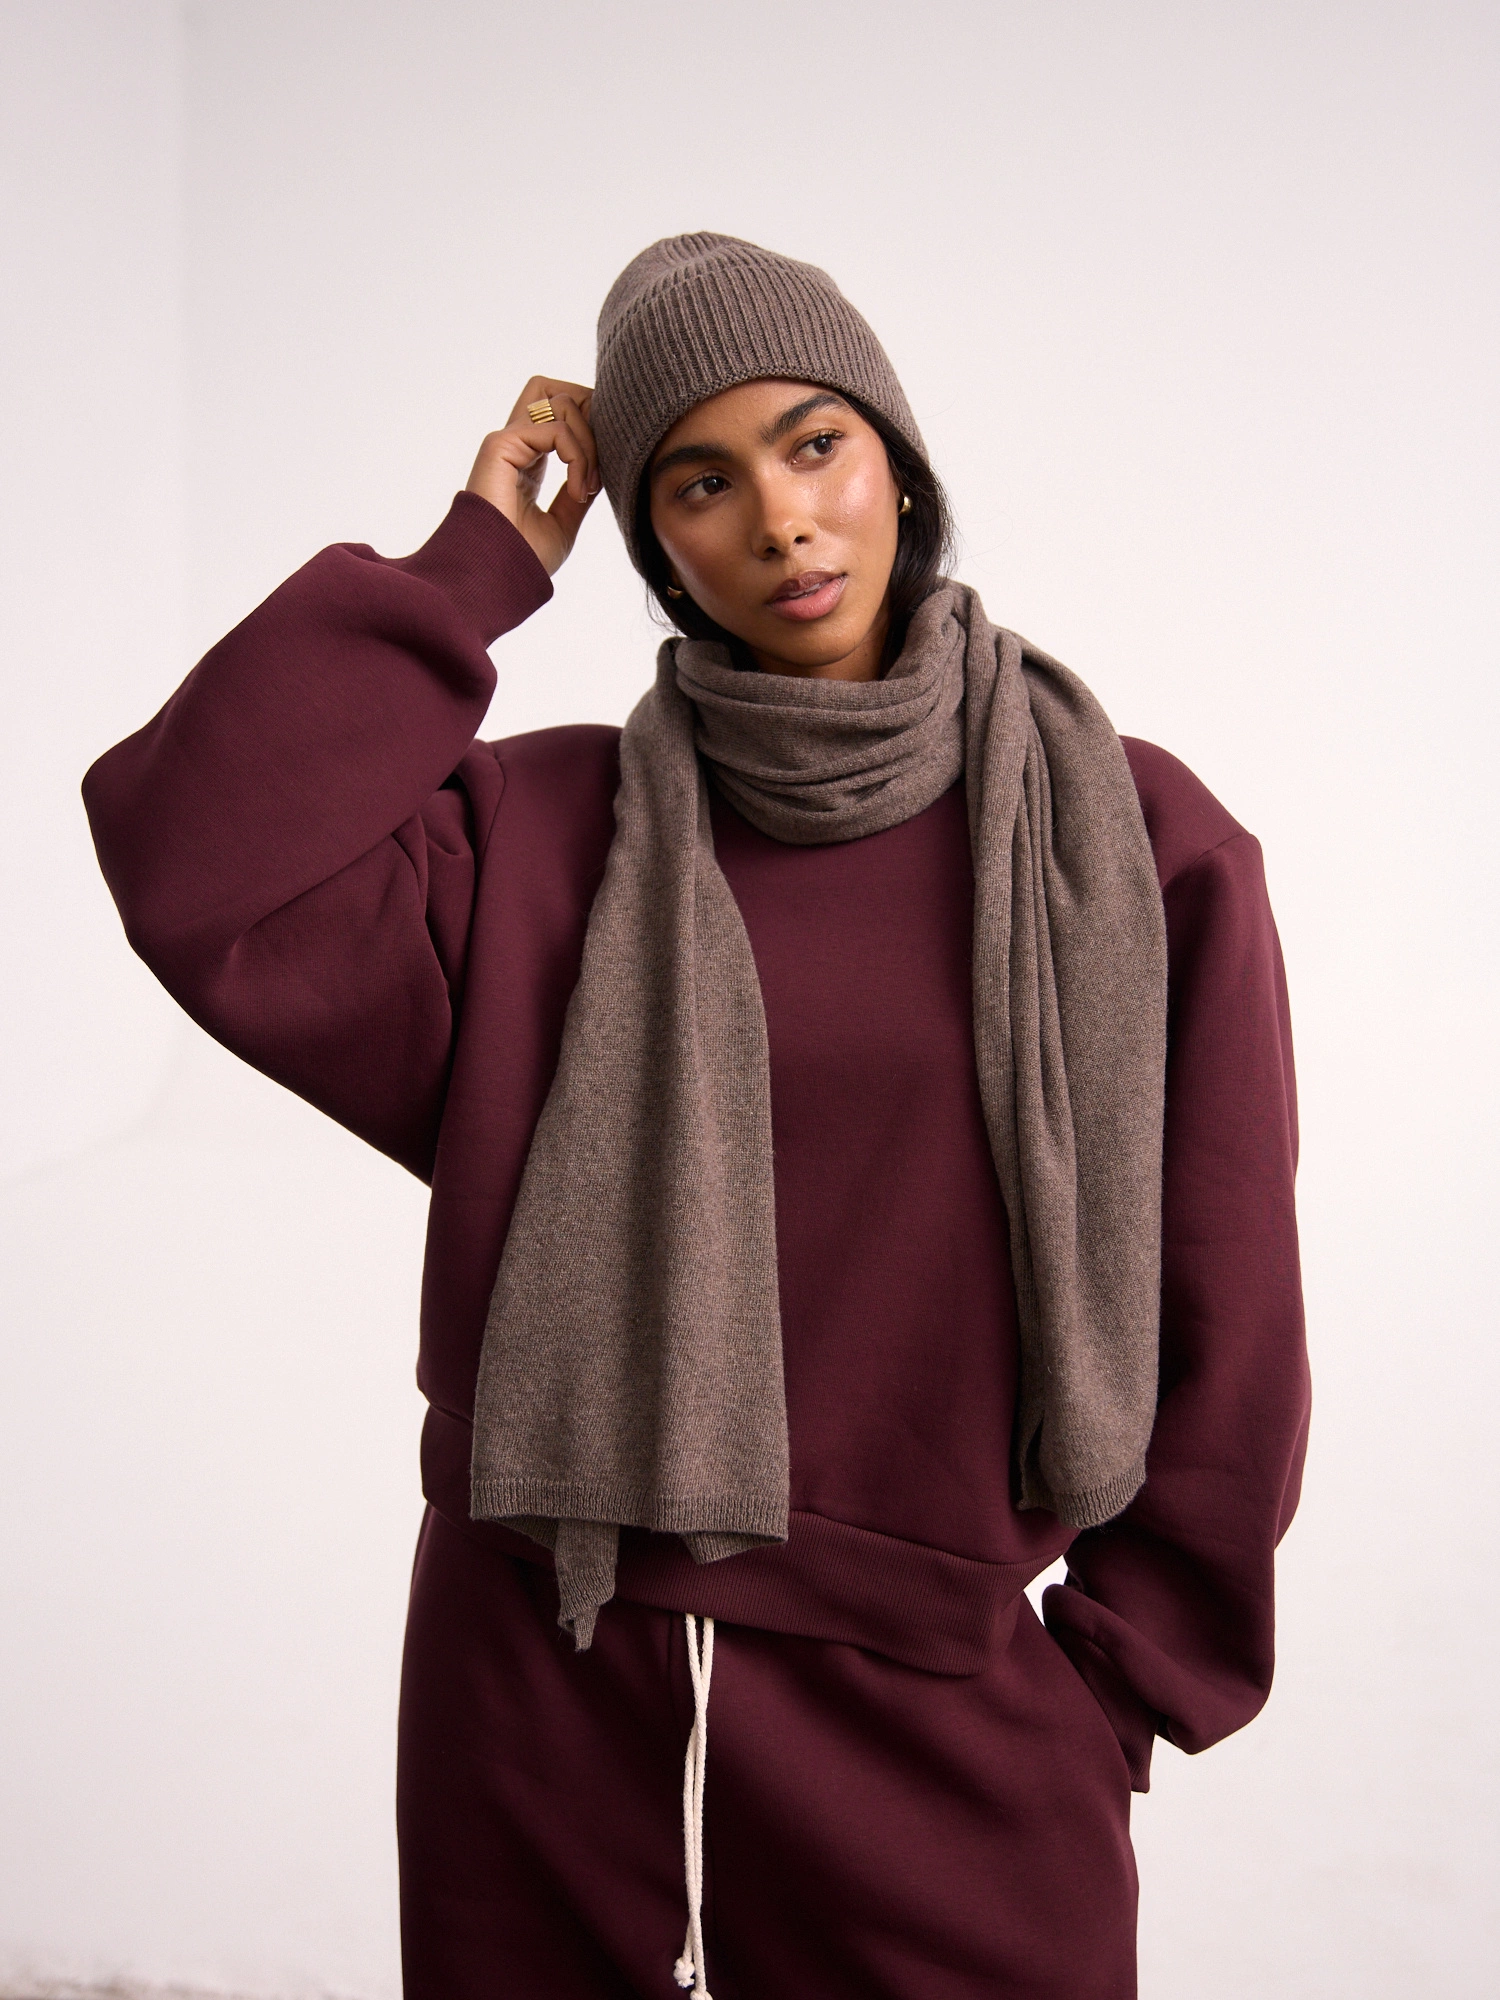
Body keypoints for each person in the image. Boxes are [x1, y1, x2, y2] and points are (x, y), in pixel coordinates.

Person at [84, 233, 1310, 2000]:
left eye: (817, 445)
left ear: (900, 466)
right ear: (653, 543)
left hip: (942, 1714)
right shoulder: (539, 838)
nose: (784, 520)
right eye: (704, 482)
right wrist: (475, 561)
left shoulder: (1133, 847)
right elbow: (192, 852)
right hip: (548, 1675)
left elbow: (1231, 1299)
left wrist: (1119, 1688)